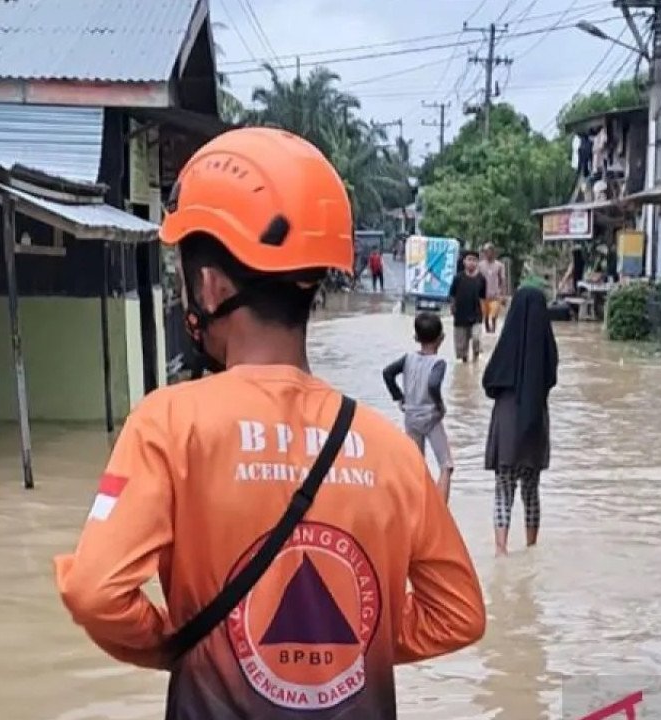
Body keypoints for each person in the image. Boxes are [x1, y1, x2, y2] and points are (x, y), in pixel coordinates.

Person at [54, 127, 484, 720]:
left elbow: (94, 592)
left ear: (210, 285)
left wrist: (184, 643)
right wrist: (348, 640)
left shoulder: (169, 424)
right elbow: (458, 614)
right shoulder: (390, 450)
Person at [481, 286, 558, 557]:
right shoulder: (548, 350)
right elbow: (550, 380)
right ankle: (531, 546)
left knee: (504, 489)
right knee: (531, 490)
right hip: (535, 421)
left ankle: (501, 549)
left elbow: (489, 383)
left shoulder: (506, 347)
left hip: (507, 421)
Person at [382, 311, 453, 503]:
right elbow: (433, 385)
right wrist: (440, 405)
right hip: (431, 418)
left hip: (411, 417)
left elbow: (387, 374)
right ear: (441, 338)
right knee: (446, 465)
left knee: (416, 466)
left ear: (416, 338)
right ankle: (441, 514)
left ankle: (415, 506)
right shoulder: (438, 363)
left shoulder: (407, 359)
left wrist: (399, 397)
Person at [448, 250, 486, 362]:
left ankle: (476, 357)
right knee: (461, 346)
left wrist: (483, 312)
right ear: (464, 261)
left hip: (476, 314)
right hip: (460, 314)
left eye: (474, 260)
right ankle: (465, 360)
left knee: (476, 338)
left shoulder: (481, 279)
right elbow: (452, 294)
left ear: (477, 262)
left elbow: (482, 297)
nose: (471, 262)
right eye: (469, 259)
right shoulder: (458, 278)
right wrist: (452, 307)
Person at [478, 244, 508, 334]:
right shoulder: (480, 265)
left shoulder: (499, 265)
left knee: (494, 314)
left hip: (495, 295)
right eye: (486, 252)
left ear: (493, 253)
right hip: (483, 295)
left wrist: (503, 294)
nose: (488, 254)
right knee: (486, 314)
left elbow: (502, 280)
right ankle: (487, 327)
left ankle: (493, 328)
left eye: (490, 251)